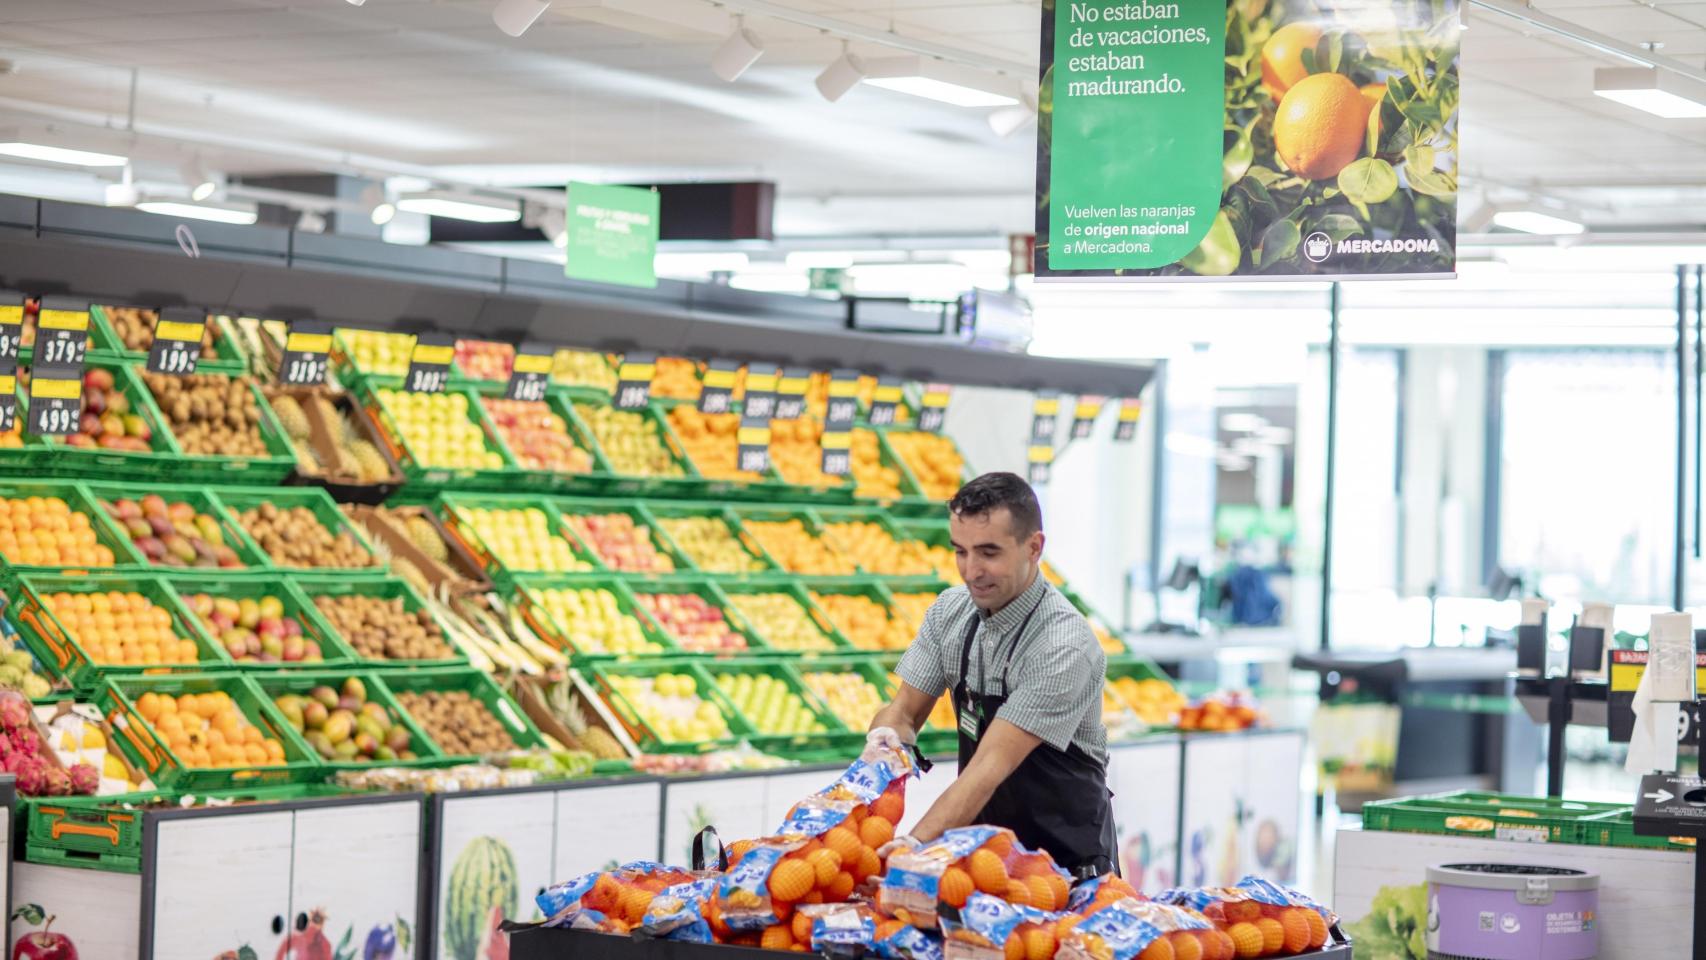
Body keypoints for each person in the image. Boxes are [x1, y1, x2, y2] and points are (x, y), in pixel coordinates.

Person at [867, 471, 1117, 878]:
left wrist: (912, 846)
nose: (971, 571)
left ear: (1033, 547)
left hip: (1064, 868)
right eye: (960, 552)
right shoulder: (951, 612)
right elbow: (904, 713)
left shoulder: (1062, 645)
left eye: (988, 552)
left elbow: (989, 767)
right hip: (983, 861)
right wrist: (876, 758)